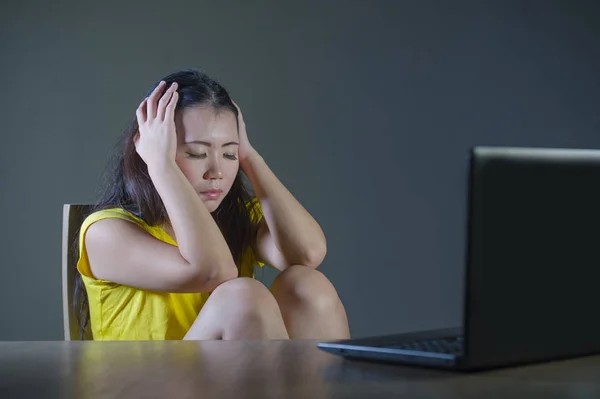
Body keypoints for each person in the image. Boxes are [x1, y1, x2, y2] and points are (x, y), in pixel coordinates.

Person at [74, 69, 350, 341]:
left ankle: (321, 389)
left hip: (237, 378)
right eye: (197, 153)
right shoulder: (106, 233)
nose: (217, 171)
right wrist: (160, 166)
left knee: (307, 285)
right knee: (242, 298)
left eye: (230, 153)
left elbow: (307, 254)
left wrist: (251, 159)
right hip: (144, 383)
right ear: (150, 148)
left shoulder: (236, 217)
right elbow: (213, 272)